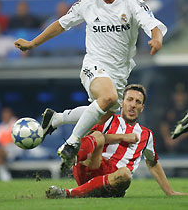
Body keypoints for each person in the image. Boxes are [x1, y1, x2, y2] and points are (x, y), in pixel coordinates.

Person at [14, 0, 167, 173]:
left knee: (103, 114)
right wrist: (32, 43)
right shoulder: (87, 4)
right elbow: (61, 24)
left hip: (119, 72)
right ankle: (71, 144)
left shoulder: (131, 2)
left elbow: (153, 24)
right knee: (109, 98)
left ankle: (56, 118)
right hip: (93, 65)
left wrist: (157, 39)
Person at [45, 84, 188, 198]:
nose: (133, 105)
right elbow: (90, 139)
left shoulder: (146, 135)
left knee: (125, 174)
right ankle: (71, 156)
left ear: (142, 108)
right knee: (97, 137)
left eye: (138, 102)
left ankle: (68, 193)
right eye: (129, 100)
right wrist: (122, 137)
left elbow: (153, 163)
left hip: (116, 180)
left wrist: (170, 192)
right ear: (122, 102)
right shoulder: (108, 119)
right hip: (92, 167)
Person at [0, 107, 22, 181]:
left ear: (11, 114)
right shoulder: (0, 127)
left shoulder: (17, 123)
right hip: (5, 149)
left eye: (7, 114)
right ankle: (4, 175)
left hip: (16, 147)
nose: (5, 116)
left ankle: (4, 176)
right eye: (4, 115)